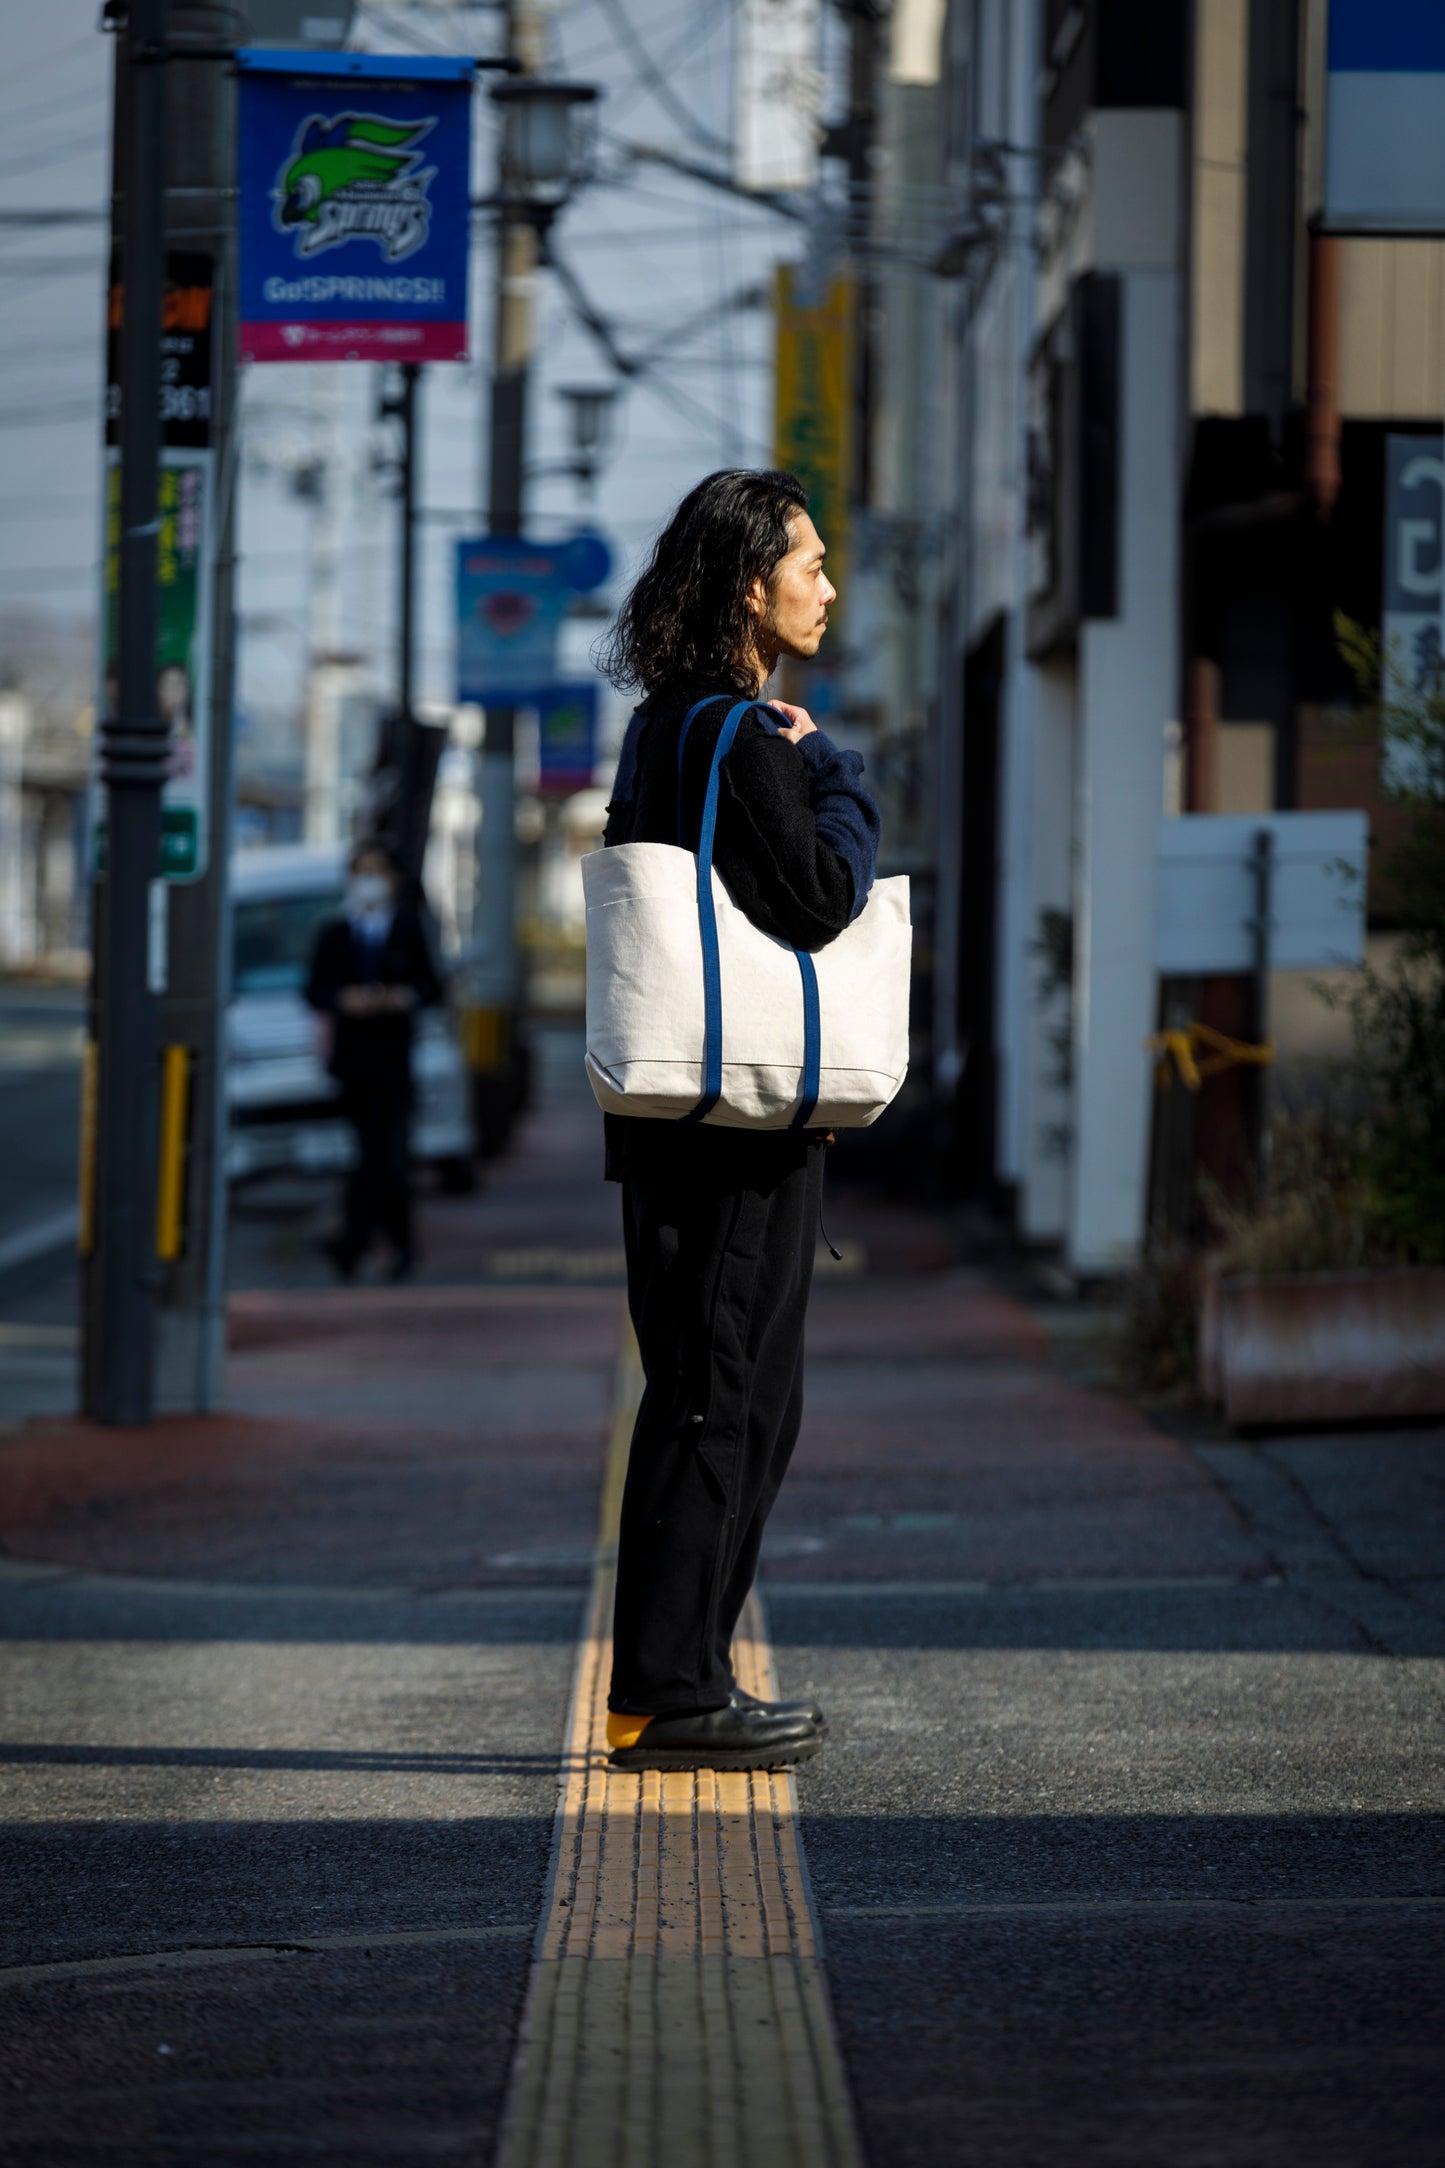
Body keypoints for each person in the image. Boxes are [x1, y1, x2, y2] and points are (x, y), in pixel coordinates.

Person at [596, 469, 882, 1772]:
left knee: (712, 1399)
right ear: (745, 586)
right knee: (726, 1403)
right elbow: (822, 897)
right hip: (736, 1136)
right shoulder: (741, 734)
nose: (827, 584)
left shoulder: (662, 727)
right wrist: (834, 771)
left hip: (674, 1120)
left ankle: (682, 1676)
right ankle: (674, 1690)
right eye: (807, 562)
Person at [305, 839, 442, 1282]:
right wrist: (346, 1000)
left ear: (393, 881)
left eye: (378, 872)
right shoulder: (335, 933)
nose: (369, 882)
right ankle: (359, 1243)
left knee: (392, 1157)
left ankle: (383, 1245)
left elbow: (433, 987)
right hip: (352, 1065)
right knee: (366, 1157)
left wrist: (401, 997)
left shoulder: (408, 930)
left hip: (395, 1061)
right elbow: (314, 989)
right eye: (362, 872)